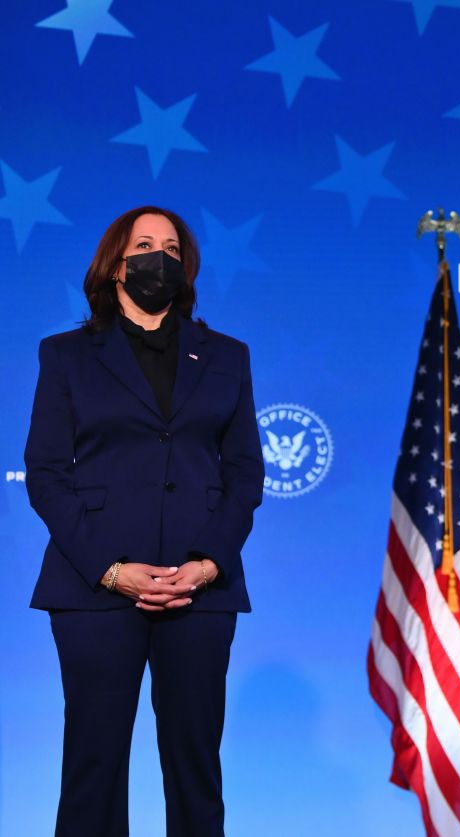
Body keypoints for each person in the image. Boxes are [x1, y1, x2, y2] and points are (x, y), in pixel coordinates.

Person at [24, 206, 265, 836]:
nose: (161, 257)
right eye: (145, 244)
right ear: (116, 263)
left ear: (185, 268)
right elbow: (46, 473)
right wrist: (110, 570)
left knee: (195, 768)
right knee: (93, 765)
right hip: (93, 587)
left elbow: (244, 474)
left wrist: (209, 564)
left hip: (200, 590)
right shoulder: (66, 355)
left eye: (173, 248)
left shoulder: (227, 357)